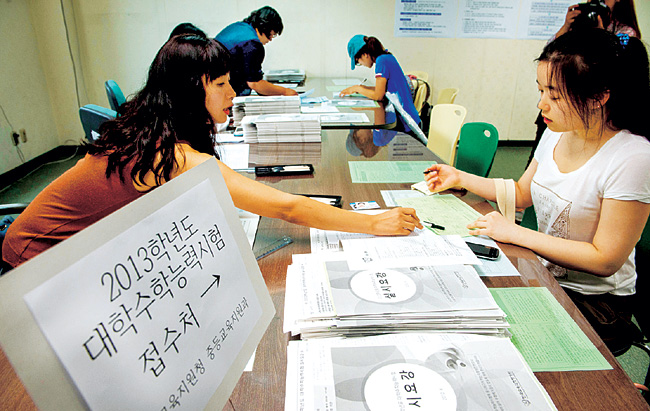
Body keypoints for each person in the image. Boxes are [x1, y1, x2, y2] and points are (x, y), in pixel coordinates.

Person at [2, 35, 421, 268]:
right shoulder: (169, 154)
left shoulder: (154, 125)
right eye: (220, 84)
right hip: (35, 259)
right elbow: (287, 209)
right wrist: (372, 224)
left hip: (75, 247)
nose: (232, 93)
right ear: (190, 91)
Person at [424, 29, 650, 353]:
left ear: (600, 96)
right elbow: (521, 192)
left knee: (487, 337)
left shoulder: (633, 156)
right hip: (545, 275)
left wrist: (514, 233)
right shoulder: (558, 131)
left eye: (555, 95)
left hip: (598, 305)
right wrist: (459, 177)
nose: (542, 103)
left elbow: (605, 259)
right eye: (541, 89)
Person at [527, 0, 642, 166]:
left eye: (603, 0)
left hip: (592, 112)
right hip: (567, 112)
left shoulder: (625, 33)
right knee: (540, 162)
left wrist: (600, 36)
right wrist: (566, 26)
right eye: (541, 91)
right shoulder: (553, 133)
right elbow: (550, 56)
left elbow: (617, 70)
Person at [340, 35, 420, 135]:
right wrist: (362, 88)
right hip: (409, 118)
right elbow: (384, 90)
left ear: (365, 54)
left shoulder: (381, 61)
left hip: (406, 123)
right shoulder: (386, 57)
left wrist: (358, 88)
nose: (361, 64)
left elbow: (378, 95)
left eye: (358, 62)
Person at [215, 6, 297, 97]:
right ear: (264, 27)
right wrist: (286, 91)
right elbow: (255, 83)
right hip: (221, 88)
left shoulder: (239, 26)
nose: (270, 40)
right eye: (272, 35)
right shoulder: (252, 44)